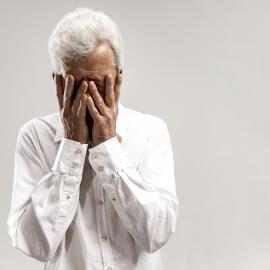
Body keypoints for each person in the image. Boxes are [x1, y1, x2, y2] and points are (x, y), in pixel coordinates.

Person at [7, 7, 179, 270]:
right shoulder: (34, 137)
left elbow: (156, 234)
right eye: (77, 86)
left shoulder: (150, 132)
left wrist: (108, 146)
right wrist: (71, 146)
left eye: (99, 85)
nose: (88, 99)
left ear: (119, 79)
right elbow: (35, 245)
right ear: (58, 83)